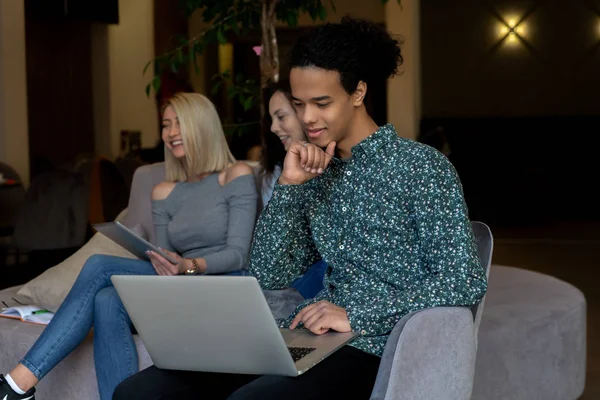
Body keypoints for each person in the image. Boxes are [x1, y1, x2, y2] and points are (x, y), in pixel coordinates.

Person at [113, 17, 487, 400]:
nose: (306, 118)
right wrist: (290, 187)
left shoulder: (420, 167)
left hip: (377, 346)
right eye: (299, 104)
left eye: (321, 103)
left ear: (358, 92)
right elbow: (268, 273)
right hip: (309, 337)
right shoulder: (314, 172)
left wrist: (354, 315)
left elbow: (463, 278)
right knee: (141, 391)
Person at [0, 93, 258, 400]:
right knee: (107, 300)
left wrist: (191, 265)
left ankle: (17, 384)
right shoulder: (164, 191)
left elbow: (239, 254)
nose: (171, 132)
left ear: (203, 125)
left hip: (226, 284)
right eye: (166, 124)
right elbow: (165, 262)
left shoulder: (236, 175)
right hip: (180, 285)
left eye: (180, 123)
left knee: (100, 264)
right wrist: (167, 263)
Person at [260, 79, 328, 299]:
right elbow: (274, 252)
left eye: (281, 117)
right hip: (290, 273)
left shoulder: (338, 164)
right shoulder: (277, 174)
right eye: (271, 119)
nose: (273, 127)